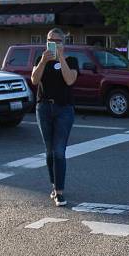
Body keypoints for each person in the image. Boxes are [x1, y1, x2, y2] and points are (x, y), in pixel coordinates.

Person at [31, 27, 78, 206]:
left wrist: (61, 59)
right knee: (50, 152)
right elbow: (34, 80)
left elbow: (70, 80)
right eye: (51, 40)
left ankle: (59, 192)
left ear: (63, 44)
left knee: (59, 151)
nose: (54, 44)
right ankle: (53, 185)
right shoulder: (40, 59)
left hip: (64, 109)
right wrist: (43, 61)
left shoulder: (71, 61)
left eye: (58, 41)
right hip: (43, 108)